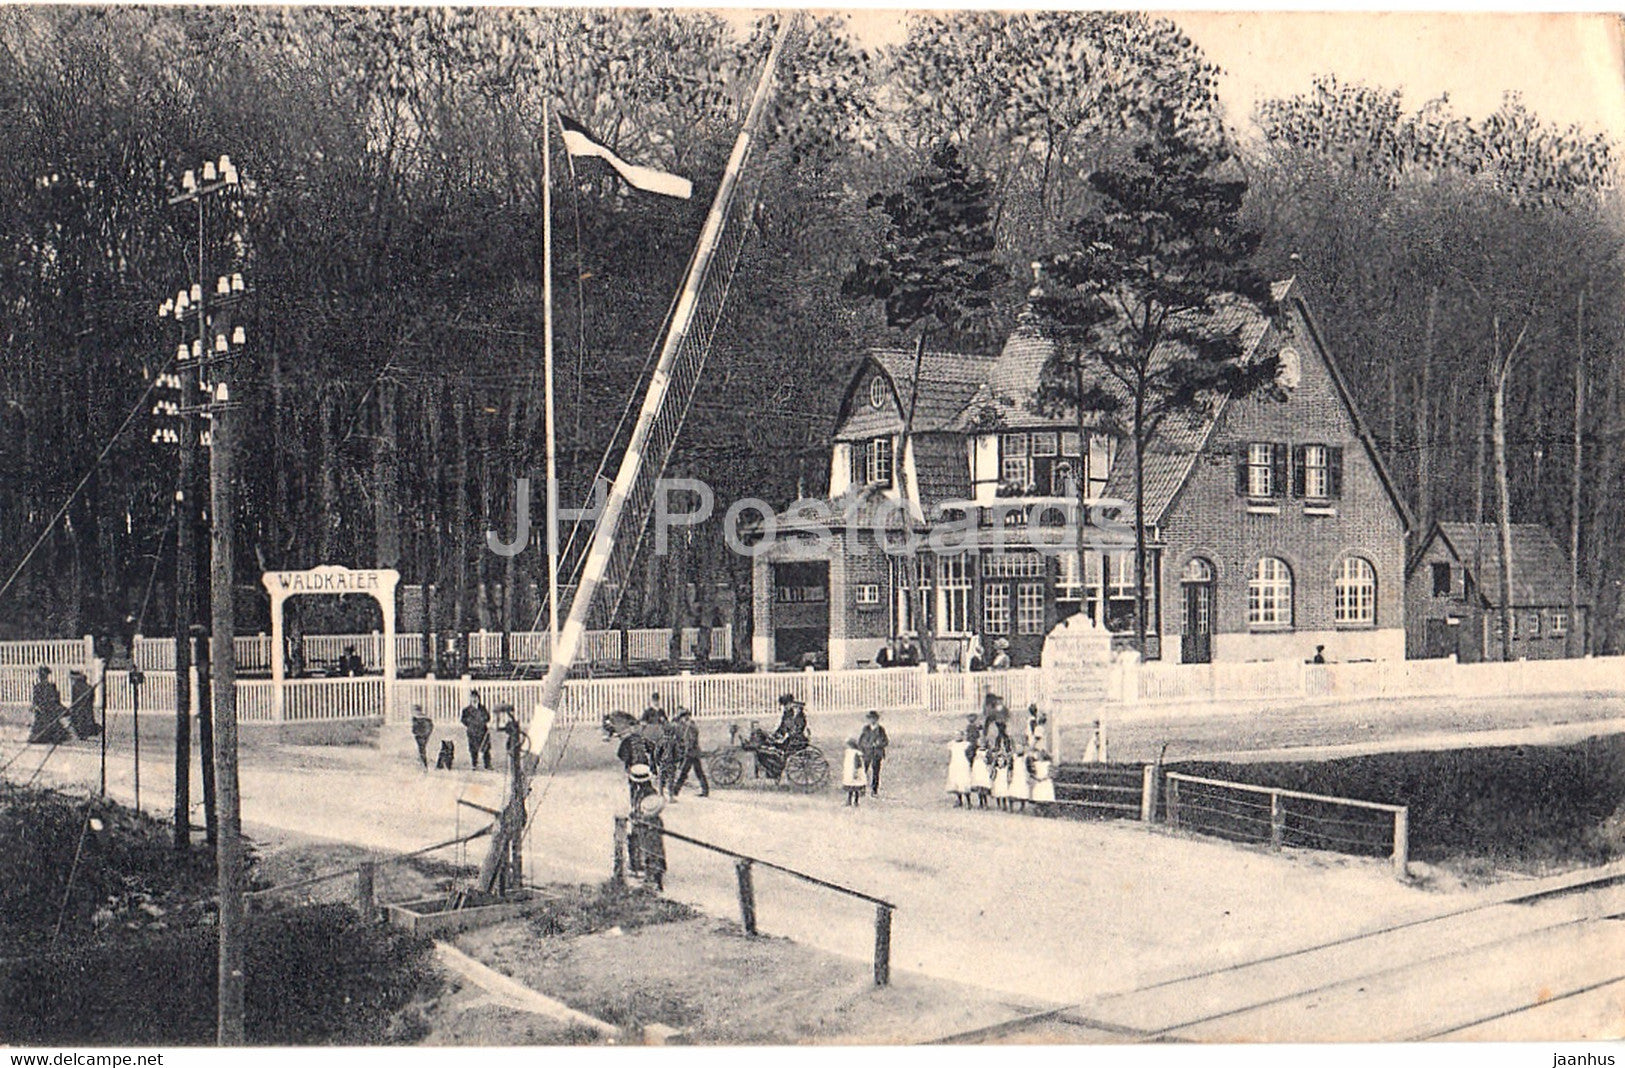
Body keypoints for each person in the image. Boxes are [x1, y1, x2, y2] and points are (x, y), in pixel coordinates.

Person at [628, 791, 668, 891]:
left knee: (651, 857)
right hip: (654, 842)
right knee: (655, 856)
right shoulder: (658, 820)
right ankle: (656, 880)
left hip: (650, 842)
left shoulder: (646, 819)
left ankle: (653, 880)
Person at [671, 709, 709, 798]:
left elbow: (691, 741)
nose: (682, 720)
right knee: (698, 772)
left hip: (691, 753)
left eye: (682, 718)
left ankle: (675, 791)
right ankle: (705, 790)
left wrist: (686, 750)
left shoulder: (690, 727)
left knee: (684, 772)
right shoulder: (692, 725)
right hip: (694, 752)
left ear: (685, 717)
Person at [28, 666, 68, 745]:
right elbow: (36, 700)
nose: (41, 677)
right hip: (46, 711)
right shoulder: (42, 687)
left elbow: (55, 699)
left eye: (42, 675)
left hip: (47, 711)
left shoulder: (48, 686)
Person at [858, 710, 889, 796]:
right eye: (870, 718)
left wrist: (879, 744)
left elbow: (886, 741)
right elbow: (861, 741)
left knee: (876, 772)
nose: (872, 720)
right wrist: (862, 749)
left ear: (877, 719)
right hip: (867, 753)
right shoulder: (866, 729)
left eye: (873, 718)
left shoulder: (881, 730)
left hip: (876, 754)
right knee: (863, 771)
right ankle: (862, 789)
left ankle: (874, 790)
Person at [460, 690, 492, 770]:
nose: (474, 699)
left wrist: (482, 720)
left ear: (478, 698)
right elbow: (463, 720)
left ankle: (487, 765)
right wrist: (470, 724)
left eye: (476, 697)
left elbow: (487, 718)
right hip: (472, 732)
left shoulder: (482, 708)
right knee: (473, 749)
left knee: (485, 748)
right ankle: (474, 764)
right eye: (472, 698)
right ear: (470, 699)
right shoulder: (466, 710)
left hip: (482, 731)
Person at [67, 670, 99, 740]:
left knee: (79, 719)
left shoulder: (76, 686)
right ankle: (83, 733)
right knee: (84, 718)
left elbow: (74, 699)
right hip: (85, 706)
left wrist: (73, 708)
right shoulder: (85, 686)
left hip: (80, 707)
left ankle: (82, 734)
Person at [945, 729, 973, 807]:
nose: (957, 736)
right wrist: (949, 762)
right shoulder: (951, 744)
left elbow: (970, 755)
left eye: (959, 735)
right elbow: (950, 754)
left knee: (964, 782)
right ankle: (959, 801)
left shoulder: (966, 744)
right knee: (956, 783)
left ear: (962, 735)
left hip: (963, 765)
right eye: (956, 735)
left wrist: (969, 762)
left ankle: (968, 802)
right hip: (954, 765)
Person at [495, 704, 524, 769]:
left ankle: (516, 777)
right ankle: (515, 777)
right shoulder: (510, 724)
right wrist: (498, 717)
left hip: (514, 743)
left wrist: (507, 712)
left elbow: (512, 722)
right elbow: (498, 729)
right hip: (511, 743)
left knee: (515, 761)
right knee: (513, 762)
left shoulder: (514, 723)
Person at [841, 737, 866, 807]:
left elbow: (857, 763)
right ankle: (849, 801)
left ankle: (855, 801)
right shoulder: (849, 752)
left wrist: (855, 772)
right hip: (849, 772)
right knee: (851, 788)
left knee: (856, 787)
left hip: (854, 772)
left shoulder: (855, 753)